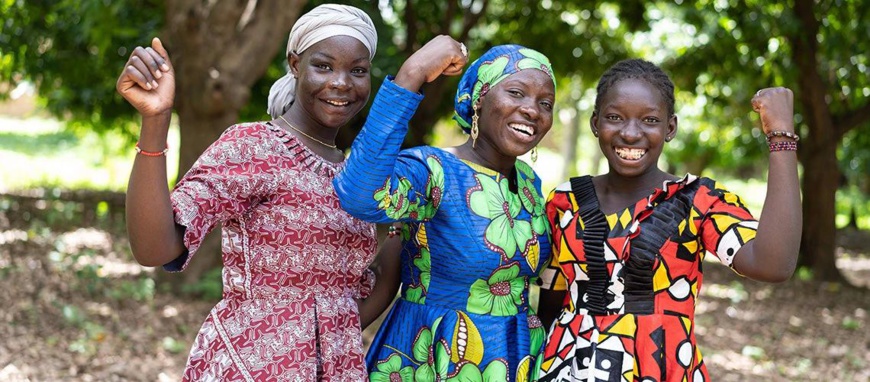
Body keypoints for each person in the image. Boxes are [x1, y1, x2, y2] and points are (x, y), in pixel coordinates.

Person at [116, 4, 383, 380]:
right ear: (295, 64)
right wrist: (156, 120)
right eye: (323, 65)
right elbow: (155, 248)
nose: (341, 82)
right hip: (251, 366)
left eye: (357, 71)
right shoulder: (254, 146)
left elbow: (344, 304)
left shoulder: (355, 174)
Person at [534, 59, 801, 381]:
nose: (630, 133)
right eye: (615, 117)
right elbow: (550, 302)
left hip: (662, 369)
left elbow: (773, 265)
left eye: (649, 120)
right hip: (567, 369)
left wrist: (780, 138)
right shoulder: (565, 201)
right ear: (595, 123)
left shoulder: (699, 201)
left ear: (669, 128)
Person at [334, 36, 556, 381]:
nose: (533, 109)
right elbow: (360, 194)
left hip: (515, 356)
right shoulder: (433, 170)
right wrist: (413, 72)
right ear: (480, 98)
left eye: (546, 103)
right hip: (437, 354)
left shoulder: (529, 182)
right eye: (516, 92)